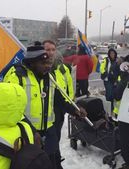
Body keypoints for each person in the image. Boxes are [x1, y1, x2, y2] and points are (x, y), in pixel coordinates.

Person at [4, 45, 87, 169]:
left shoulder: (49, 77)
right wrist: (32, 131)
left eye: (48, 62)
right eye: (43, 63)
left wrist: (75, 110)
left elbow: (60, 100)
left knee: (54, 162)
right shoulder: (16, 77)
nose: (48, 66)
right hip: (26, 133)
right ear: (31, 63)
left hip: (49, 131)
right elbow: (11, 109)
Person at [43, 40, 74, 169]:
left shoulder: (61, 68)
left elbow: (67, 88)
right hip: (44, 114)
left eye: (53, 49)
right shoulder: (41, 70)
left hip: (60, 110)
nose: (50, 53)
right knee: (48, 144)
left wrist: (71, 106)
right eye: (47, 49)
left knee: (55, 140)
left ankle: (56, 160)